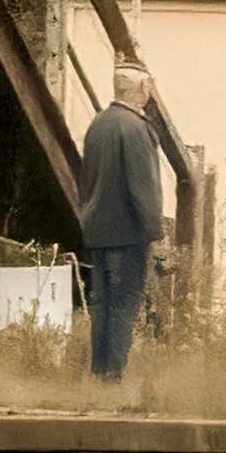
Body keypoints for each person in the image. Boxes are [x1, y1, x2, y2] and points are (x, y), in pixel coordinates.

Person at [76, 65, 176, 380]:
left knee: (102, 303)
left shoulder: (99, 124)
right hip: (128, 232)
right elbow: (143, 187)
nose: (150, 92)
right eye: (148, 87)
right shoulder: (136, 128)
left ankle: (99, 372)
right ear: (140, 90)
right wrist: (157, 235)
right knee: (124, 303)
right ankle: (114, 375)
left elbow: (87, 180)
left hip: (98, 231)